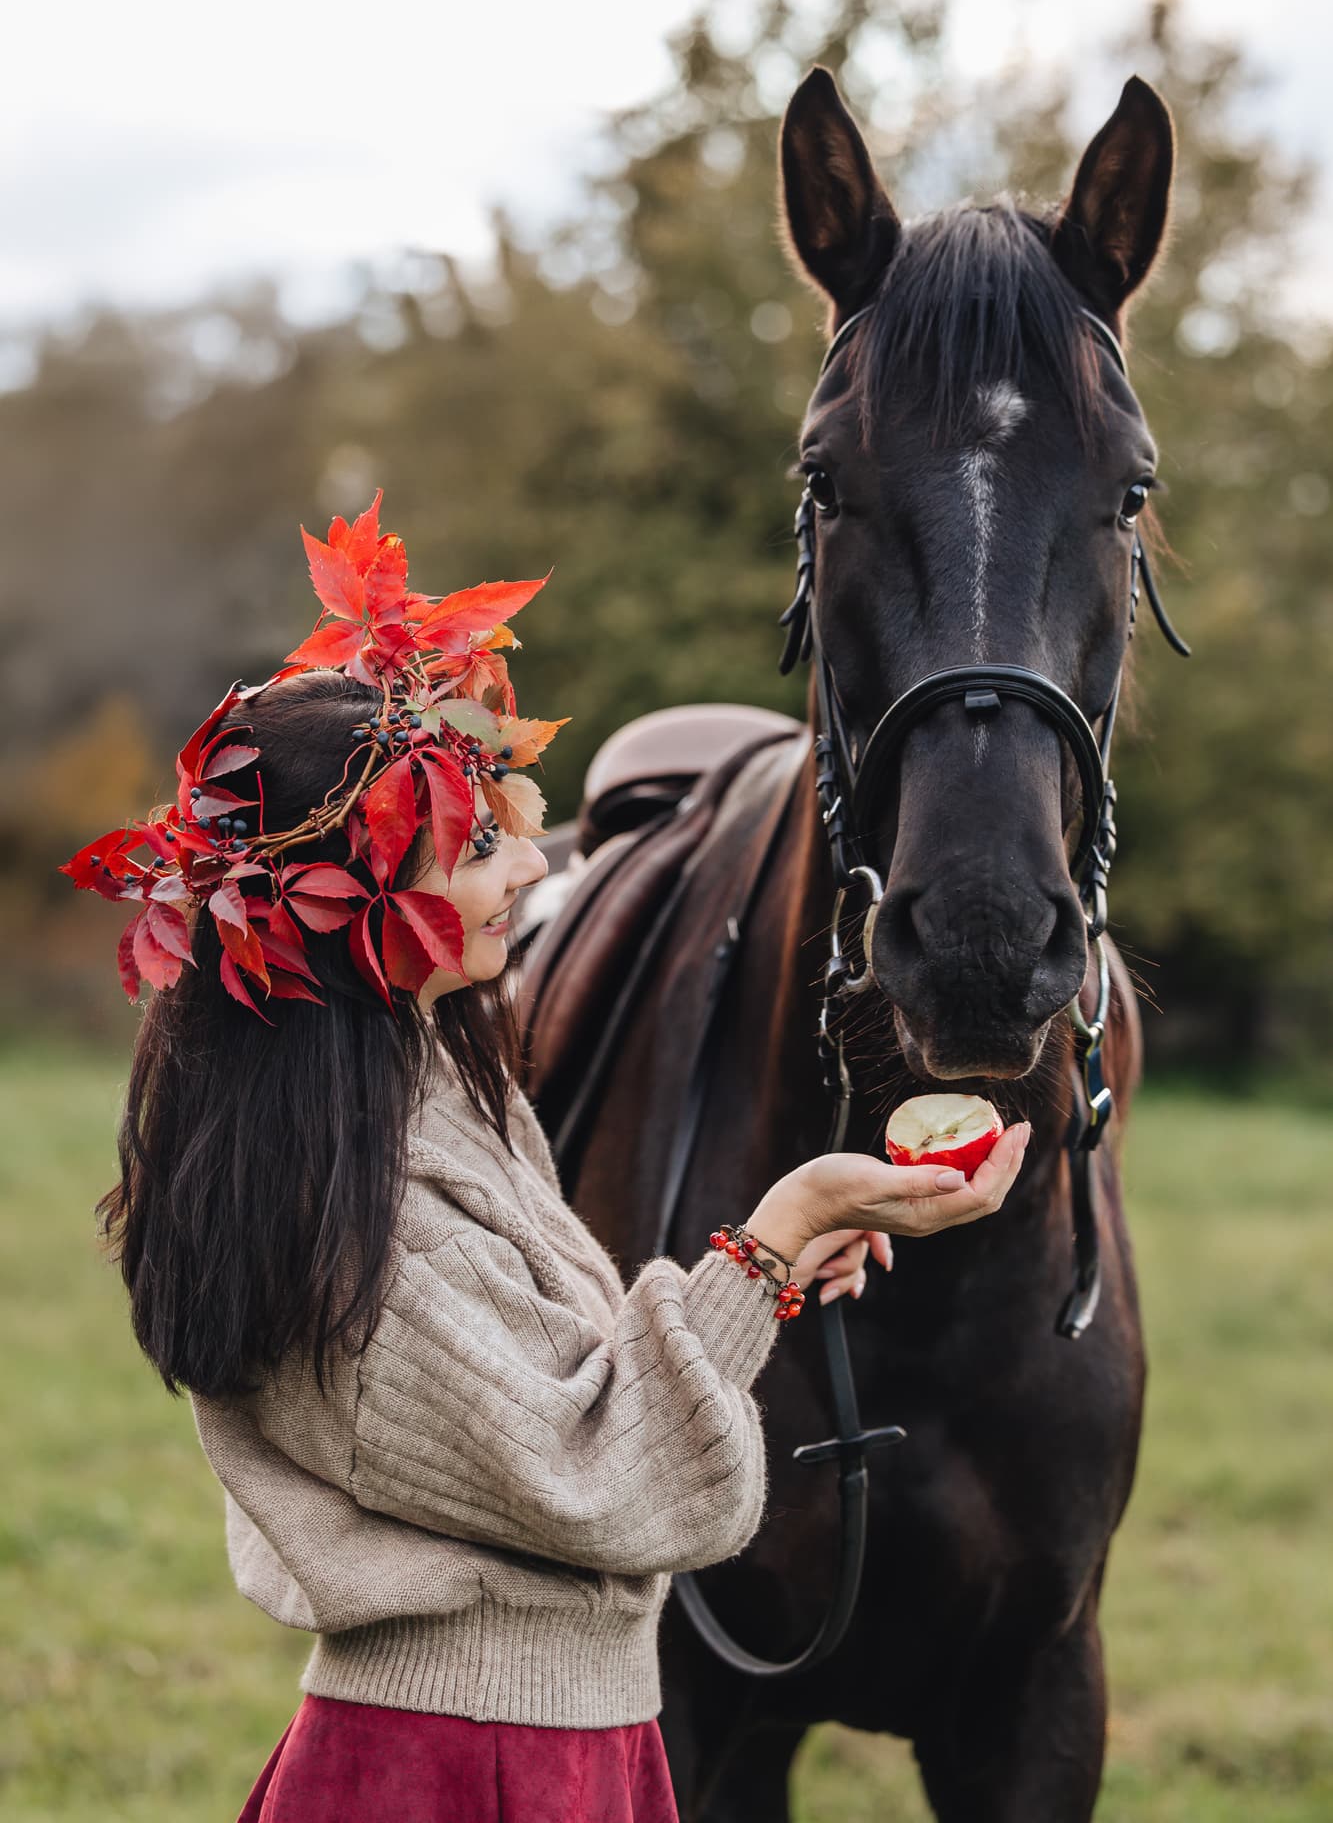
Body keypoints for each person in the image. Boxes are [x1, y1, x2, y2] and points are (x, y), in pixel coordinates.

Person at [62, 496, 1028, 1823]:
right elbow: (610, 1485)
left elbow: (551, 1392)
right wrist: (778, 1217)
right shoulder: (354, 1213)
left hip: (555, 1736)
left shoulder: (423, 1100)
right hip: (463, 1766)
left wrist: (777, 1275)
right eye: (472, 846)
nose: (530, 863)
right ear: (346, 913)